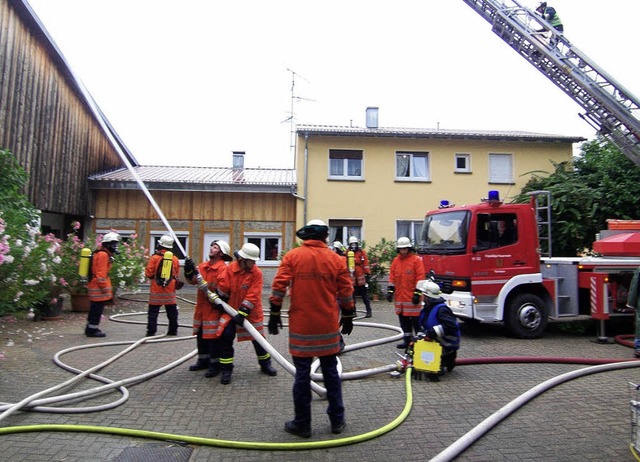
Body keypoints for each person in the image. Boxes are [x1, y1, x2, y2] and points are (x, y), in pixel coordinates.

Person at [269, 219, 355, 438]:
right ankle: (337, 421)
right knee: (331, 374)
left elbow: (279, 285)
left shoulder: (292, 256)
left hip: (302, 327)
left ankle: (302, 424)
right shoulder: (336, 259)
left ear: (305, 236)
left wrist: (275, 313)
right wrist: (347, 314)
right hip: (327, 325)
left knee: (302, 376)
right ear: (325, 237)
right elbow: (346, 290)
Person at [216, 242, 277, 385]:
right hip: (231, 310)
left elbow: (253, 294)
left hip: (251, 312)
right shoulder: (231, 269)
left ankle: (265, 364)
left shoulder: (256, 273)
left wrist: (243, 311)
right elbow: (223, 286)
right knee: (226, 337)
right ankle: (226, 370)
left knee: (258, 340)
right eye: (252, 260)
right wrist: (220, 299)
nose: (254, 263)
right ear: (243, 260)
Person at [183, 240, 232, 377]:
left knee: (213, 340)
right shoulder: (202, 267)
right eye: (212, 246)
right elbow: (192, 280)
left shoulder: (223, 269)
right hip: (201, 309)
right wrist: (188, 270)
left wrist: (212, 290)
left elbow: (225, 290)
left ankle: (214, 365)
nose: (211, 249)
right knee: (201, 336)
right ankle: (202, 360)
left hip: (213, 309)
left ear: (221, 253)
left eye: (215, 247)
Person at [386, 237, 426, 348]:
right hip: (400, 299)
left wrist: (417, 293)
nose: (403, 251)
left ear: (409, 248)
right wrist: (390, 291)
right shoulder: (396, 261)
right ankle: (407, 341)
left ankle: (419, 343)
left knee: (416, 323)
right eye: (401, 249)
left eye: (405, 249)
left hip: (412, 298)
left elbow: (420, 278)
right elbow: (392, 277)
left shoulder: (416, 260)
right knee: (404, 322)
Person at [416, 279, 461, 374]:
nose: (422, 297)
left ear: (428, 296)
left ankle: (445, 362)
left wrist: (432, 332)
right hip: (437, 340)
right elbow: (423, 324)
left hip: (447, 343)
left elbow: (450, 326)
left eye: (423, 295)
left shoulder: (442, 310)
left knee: (436, 370)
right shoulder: (428, 307)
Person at [85, 232, 120, 338]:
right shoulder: (103, 255)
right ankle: (92, 330)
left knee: (94, 309)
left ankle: (90, 328)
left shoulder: (100, 253)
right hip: (98, 288)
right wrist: (105, 288)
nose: (115, 247)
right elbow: (101, 274)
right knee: (96, 310)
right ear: (108, 244)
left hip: (95, 286)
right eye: (113, 244)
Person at [144, 235, 180, 337]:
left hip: (157, 289)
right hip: (170, 290)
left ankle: (151, 332)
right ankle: (173, 330)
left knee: (153, 312)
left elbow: (148, 273)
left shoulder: (155, 258)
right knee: (172, 311)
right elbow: (176, 274)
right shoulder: (175, 259)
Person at [347, 236, 373, 318]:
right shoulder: (347, 252)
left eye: (355, 244)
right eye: (352, 244)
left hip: (361, 276)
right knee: (352, 296)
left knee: (364, 295)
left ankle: (369, 311)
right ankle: (353, 311)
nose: (353, 245)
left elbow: (365, 263)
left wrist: (367, 275)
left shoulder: (362, 252)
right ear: (349, 244)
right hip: (352, 277)